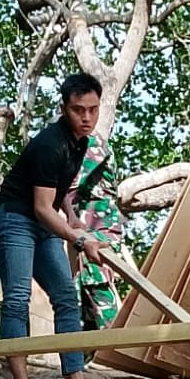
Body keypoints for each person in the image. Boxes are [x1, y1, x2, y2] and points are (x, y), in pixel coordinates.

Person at [0, 73, 118, 379]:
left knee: (65, 296)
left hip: (43, 221)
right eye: (78, 110)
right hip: (15, 218)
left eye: (92, 110)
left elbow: (59, 194)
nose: (87, 118)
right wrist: (79, 239)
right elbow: (42, 208)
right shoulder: (50, 144)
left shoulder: (81, 142)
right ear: (64, 109)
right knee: (18, 298)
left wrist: (72, 217)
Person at [69, 133, 125, 331]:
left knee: (98, 287)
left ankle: (116, 345)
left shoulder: (90, 142)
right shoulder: (72, 145)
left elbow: (69, 184)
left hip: (99, 228)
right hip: (82, 230)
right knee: (79, 298)